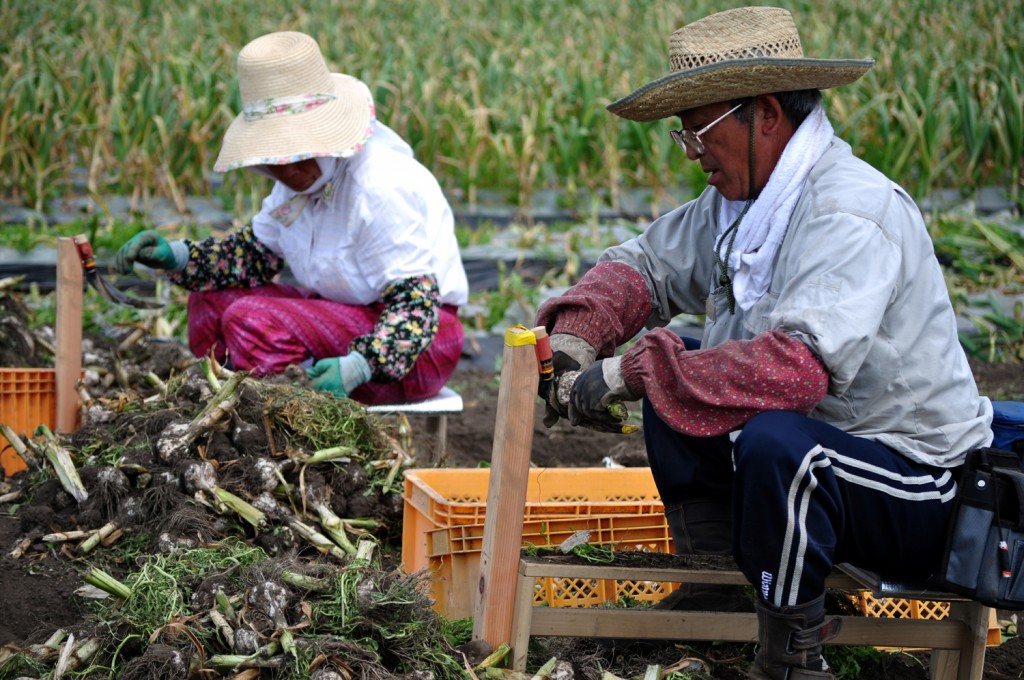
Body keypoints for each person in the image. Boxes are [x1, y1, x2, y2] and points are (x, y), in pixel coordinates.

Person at [534, 7, 993, 679]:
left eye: (700, 133)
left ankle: (792, 652)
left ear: (767, 115)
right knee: (691, 371)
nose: (692, 155)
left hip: (914, 483)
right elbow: (646, 266)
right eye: (682, 135)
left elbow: (795, 373)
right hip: (818, 462)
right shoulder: (742, 207)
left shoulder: (848, 212)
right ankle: (714, 575)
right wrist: (579, 333)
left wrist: (635, 371)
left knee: (774, 438)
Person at [114, 31, 468, 406]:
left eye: (296, 154)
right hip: (345, 320)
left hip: (419, 349)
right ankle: (226, 402)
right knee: (211, 300)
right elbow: (251, 258)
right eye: (275, 158)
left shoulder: (378, 185)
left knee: (251, 319)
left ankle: (290, 416)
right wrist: (177, 256)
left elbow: (417, 308)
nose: (287, 172)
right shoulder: (294, 190)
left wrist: (361, 364)